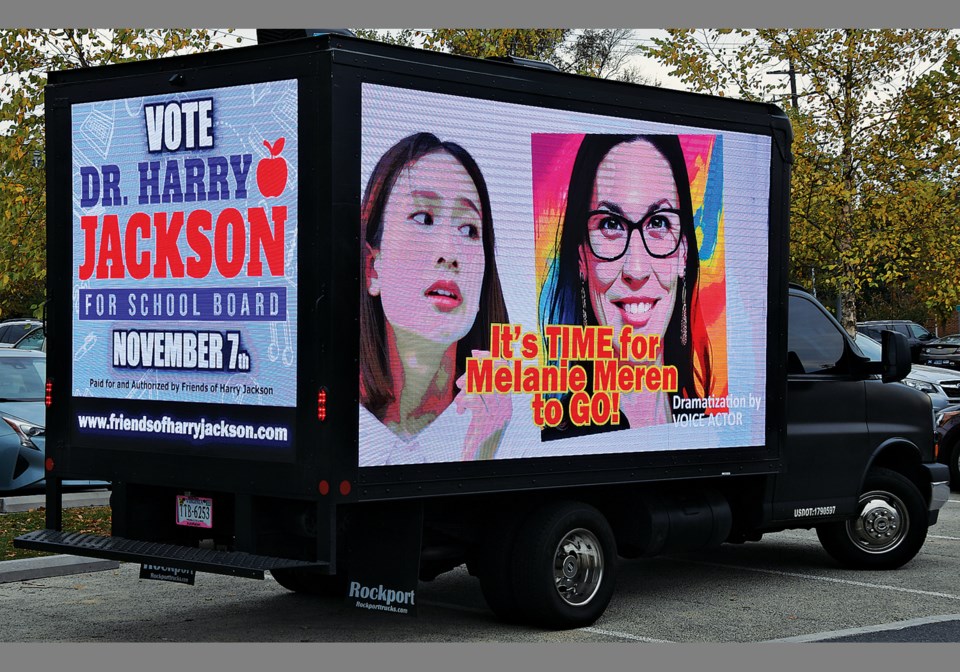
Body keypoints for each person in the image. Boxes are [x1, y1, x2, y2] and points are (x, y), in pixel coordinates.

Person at [538, 134, 714, 438]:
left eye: (658, 223)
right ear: (582, 257)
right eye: (610, 225)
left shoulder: (715, 431)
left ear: (684, 252)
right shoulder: (552, 440)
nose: (636, 269)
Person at [359, 132, 511, 465]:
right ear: (373, 269)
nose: (450, 254)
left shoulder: (510, 424)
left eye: (469, 229)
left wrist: (483, 452)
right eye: (424, 218)